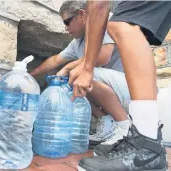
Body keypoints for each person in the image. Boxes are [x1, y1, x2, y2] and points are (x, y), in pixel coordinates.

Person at [69, 1, 171, 171]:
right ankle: (149, 141)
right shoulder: (75, 44)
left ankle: (146, 143)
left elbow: (98, 4)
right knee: (133, 29)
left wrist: (88, 68)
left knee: (122, 25)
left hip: (122, 89)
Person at [30, 1, 131, 145]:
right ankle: (107, 124)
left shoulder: (106, 21)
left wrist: (68, 68)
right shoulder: (78, 42)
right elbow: (54, 60)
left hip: (130, 90)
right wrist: (30, 75)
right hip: (113, 93)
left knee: (80, 74)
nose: (66, 28)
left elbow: (102, 57)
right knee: (71, 82)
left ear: (82, 14)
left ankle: (125, 126)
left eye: (67, 22)